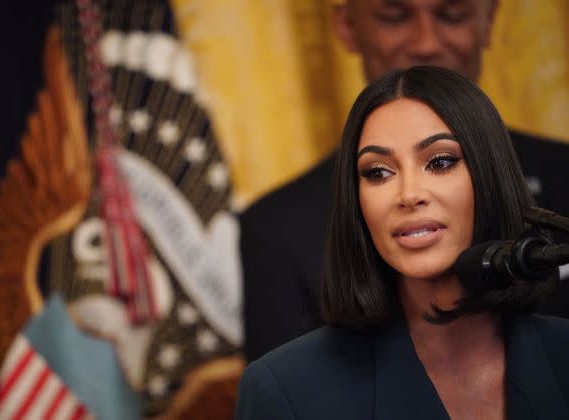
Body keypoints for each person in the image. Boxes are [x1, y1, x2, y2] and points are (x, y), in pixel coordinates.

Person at [240, 0, 569, 362]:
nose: (425, 43)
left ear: (488, 21)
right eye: (394, 17)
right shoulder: (276, 226)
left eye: (451, 14)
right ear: (348, 27)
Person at [235, 65, 569, 420]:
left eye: (440, 162)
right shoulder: (283, 390)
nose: (409, 195)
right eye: (378, 172)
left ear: (490, 178)